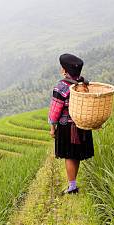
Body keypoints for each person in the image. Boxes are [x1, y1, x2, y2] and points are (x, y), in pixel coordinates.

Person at [48, 53, 94, 194]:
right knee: (76, 154)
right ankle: (73, 184)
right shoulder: (84, 84)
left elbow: (55, 110)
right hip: (82, 124)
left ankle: (72, 186)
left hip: (67, 126)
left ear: (65, 70)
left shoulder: (61, 87)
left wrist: (52, 127)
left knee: (69, 155)